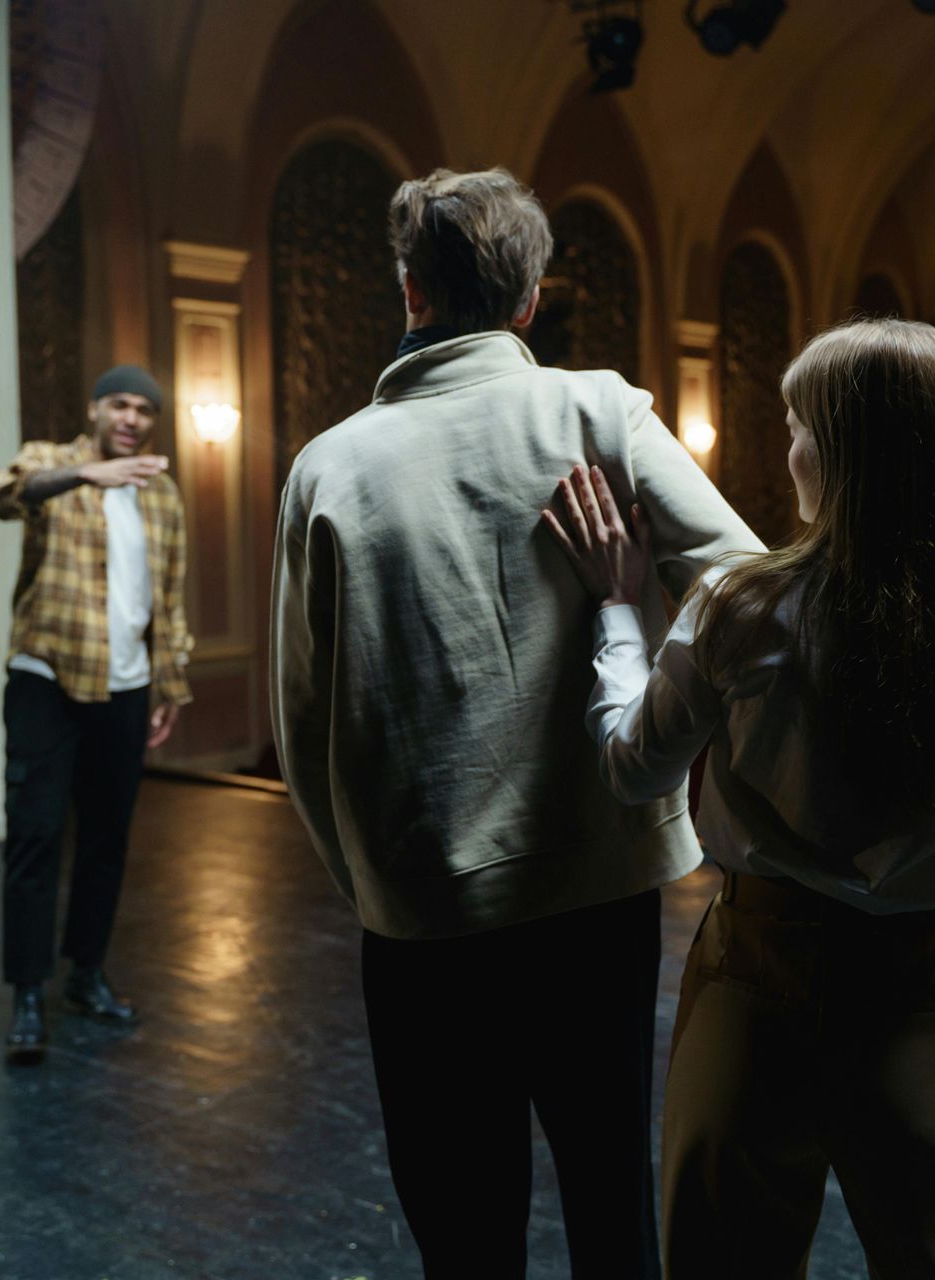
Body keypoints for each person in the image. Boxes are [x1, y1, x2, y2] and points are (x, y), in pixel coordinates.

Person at [271, 167, 761, 1278]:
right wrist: (628, 613)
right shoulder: (598, 411)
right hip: (595, 891)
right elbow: (751, 596)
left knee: (463, 1228)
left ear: (408, 291)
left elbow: (302, 724)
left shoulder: (327, 467)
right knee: (608, 1197)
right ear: (531, 298)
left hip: (423, 908)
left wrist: (373, 882)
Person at [543, 318, 935, 1278]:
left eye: (796, 424)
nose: (786, 447)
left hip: (757, 985)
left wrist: (620, 604)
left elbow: (634, 769)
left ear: (831, 453)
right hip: (921, 1001)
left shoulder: (738, 609)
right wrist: (933, 843)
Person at [0, 365, 193, 1065]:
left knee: (107, 838)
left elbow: (170, 599)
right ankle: (28, 995)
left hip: (126, 688)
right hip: (46, 677)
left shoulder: (162, 497)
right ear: (95, 409)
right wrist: (85, 478)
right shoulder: (52, 463)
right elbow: (0, 496)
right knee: (36, 835)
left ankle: (86, 975)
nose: (131, 418)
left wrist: (168, 687)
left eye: (143, 410)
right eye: (120, 405)